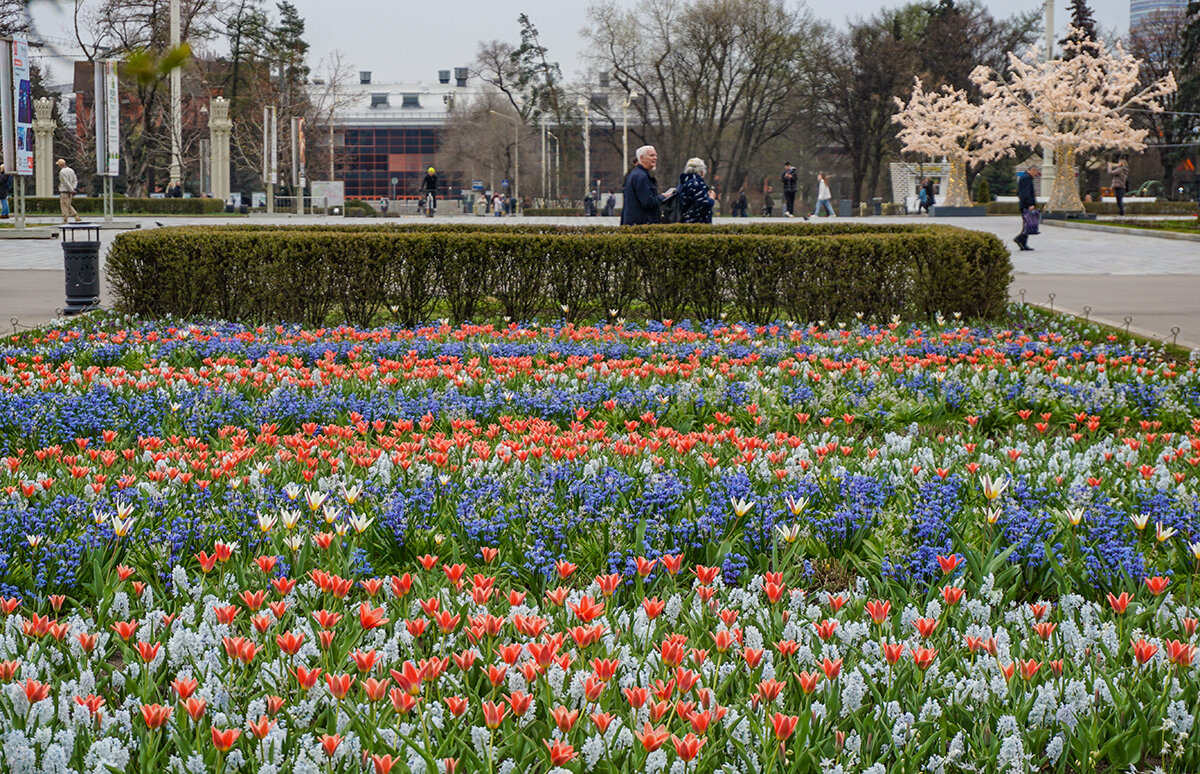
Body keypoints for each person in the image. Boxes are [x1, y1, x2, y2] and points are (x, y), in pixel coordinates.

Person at [620, 145, 675, 226]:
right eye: (652, 155)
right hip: (641, 225)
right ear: (642, 158)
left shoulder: (636, 174)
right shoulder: (641, 176)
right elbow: (648, 202)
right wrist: (663, 197)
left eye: (656, 155)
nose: (655, 158)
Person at [676, 157, 715, 224]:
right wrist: (711, 198)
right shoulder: (696, 184)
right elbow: (704, 205)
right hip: (696, 222)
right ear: (702, 172)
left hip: (685, 220)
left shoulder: (683, 182)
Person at [1014, 164, 1040, 251]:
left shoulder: (1024, 177)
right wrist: (1030, 204)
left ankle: (1023, 243)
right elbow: (1026, 193)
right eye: (1036, 172)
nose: (1036, 174)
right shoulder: (1027, 178)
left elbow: (1020, 193)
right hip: (1026, 205)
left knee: (1027, 224)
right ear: (1032, 170)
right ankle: (1020, 239)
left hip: (1024, 204)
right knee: (1028, 224)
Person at [56, 158, 81, 224]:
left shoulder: (62, 172)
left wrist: (70, 190)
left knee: (64, 205)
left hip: (65, 191)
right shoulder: (71, 170)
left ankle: (67, 219)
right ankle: (75, 217)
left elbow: (65, 182)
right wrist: (73, 188)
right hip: (71, 191)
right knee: (68, 204)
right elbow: (75, 180)